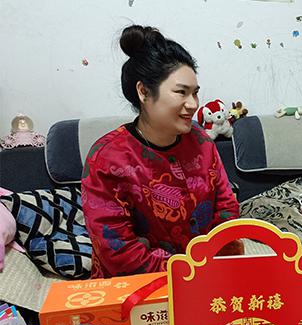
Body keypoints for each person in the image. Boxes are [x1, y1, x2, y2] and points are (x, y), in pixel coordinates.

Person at [82, 25, 242, 278]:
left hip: (208, 276)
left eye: (195, 93)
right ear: (144, 91)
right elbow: (118, 250)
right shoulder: (107, 157)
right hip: (141, 286)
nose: (193, 104)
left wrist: (213, 265)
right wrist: (187, 272)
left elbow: (226, 208)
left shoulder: (201, 140)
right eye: (181, 92)